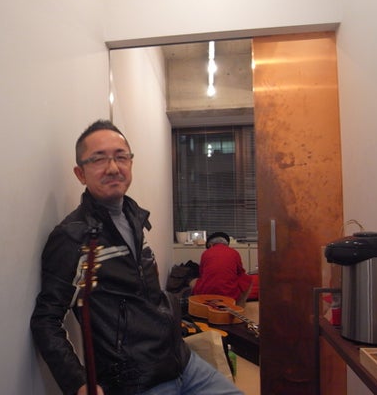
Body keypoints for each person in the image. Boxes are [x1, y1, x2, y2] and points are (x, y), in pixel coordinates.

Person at [30, 120, 243, 395]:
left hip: (182, 362)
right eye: (98, 159)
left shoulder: (135, 218)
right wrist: (78, 383)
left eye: (121, 157)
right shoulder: (72, 237)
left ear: (130, 163)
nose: (113, 167)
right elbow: (46, 320)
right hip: (136, 384)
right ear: (80, 173)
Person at [191, 232, 253, 307]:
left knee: (193, 282)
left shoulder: (205, 253)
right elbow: (241, 273)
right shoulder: (234, 252)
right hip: (229, 294)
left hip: (206, 294)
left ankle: (200, 305)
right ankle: (239, 306)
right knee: (248, 280)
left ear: (210, 245)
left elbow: (201, 274)